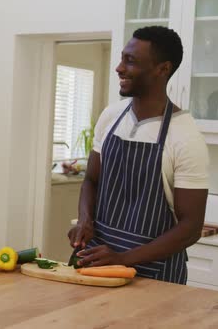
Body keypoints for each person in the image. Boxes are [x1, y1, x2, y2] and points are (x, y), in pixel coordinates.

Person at [67, 26, 209, 284]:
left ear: (163, 69)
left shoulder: (185, 137)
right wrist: (85, 221)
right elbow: (91, 180)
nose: (119, 68)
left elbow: (190, 229)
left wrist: (123, 258)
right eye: (122, 58)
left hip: (154, 275)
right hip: (95, 263)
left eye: (130, 61)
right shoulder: (111, 116)